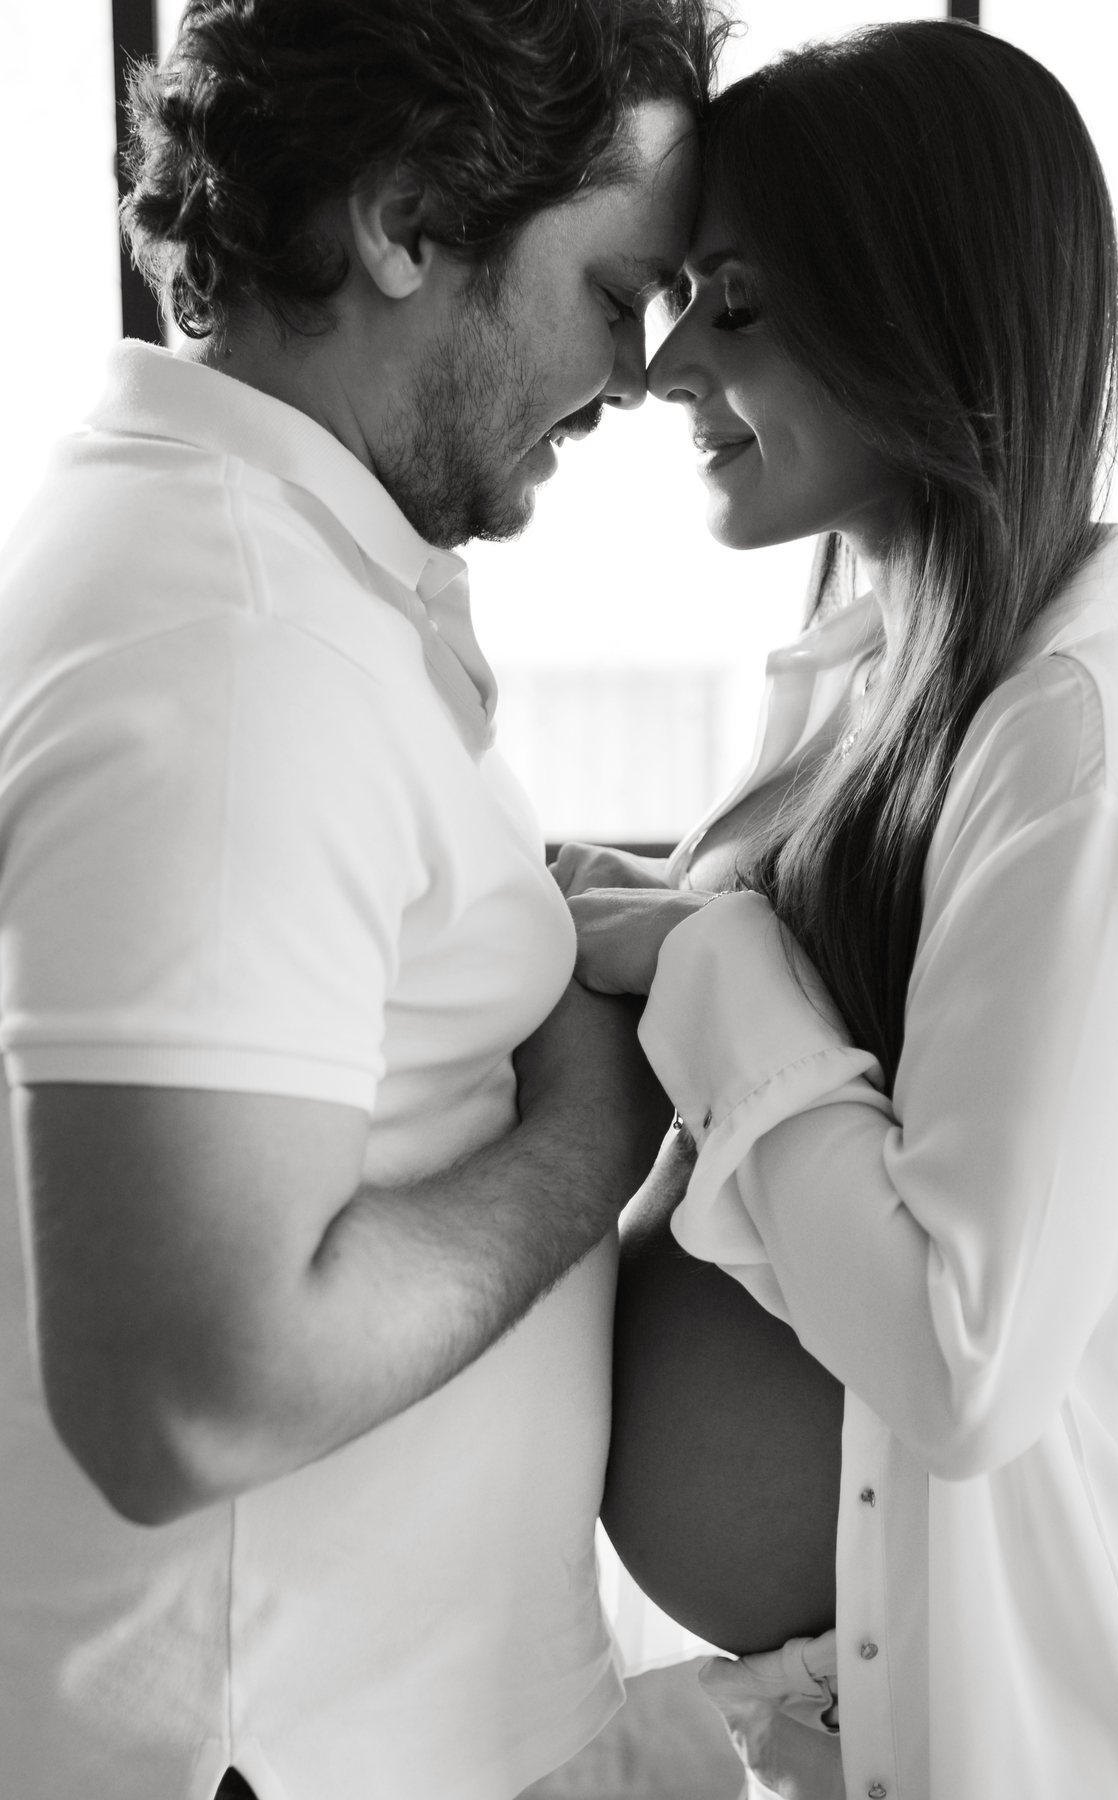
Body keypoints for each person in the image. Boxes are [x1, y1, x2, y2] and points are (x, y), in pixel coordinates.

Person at [0, 2, 727, 1796]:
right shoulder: (239, 641)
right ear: (407, 219)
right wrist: (602, 1119)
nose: (640, 377)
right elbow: (195, 1394)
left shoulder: (264, 575)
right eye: (617, 292)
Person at [558, 21, 1118, 1800]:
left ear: (921, 318)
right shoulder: (878, 684)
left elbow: (960, 1361)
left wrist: (713, 955)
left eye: (738, 303)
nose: (664, 361)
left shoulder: (1076, 754)